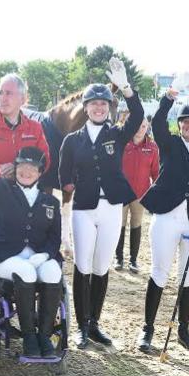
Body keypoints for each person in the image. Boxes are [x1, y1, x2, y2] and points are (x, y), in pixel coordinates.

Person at [59, 57, 143, 349]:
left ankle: (94, 323)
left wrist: (126, 88)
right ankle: (81, 326)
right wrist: (71, 184)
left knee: (102, 266)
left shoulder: (117, 135)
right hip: (83, 209)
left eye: (103, 104)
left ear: (109, 108)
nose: (98, 108)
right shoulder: (72, 140)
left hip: (111, 209)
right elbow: (63, 174)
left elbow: (138, 114)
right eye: (93, 104)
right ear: (86, 108)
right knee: (82, 265)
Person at [135, 73, 189, 353]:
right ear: (180, 125)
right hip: (166, 219)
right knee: (159, 272)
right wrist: (169, 97)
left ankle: (183, 331)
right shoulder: (169, 144)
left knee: (188, 277)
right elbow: (158, 121)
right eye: (187, 122)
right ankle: (147, 330)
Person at [0, 142, 62, 358]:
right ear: (15, 168)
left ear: (40, 171)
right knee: (26, 272)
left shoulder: (51, 202)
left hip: (38, 255)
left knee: (53, 271)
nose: (26, 171)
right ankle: (29, 337)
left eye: (32, 168)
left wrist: (46, 255)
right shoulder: (2, 190)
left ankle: (44, 337)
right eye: (22, 166)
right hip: (6, 257)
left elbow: (55, 237)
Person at [0, 74, 49, 273]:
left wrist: (20, 170)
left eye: (9, 93)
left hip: (22, 210)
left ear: (23, 99)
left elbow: (45, 162)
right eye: (0, 93)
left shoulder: (35, 128)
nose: (3, 98)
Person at [115, 115, 159, 273]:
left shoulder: (152, 147)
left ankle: (133, 260)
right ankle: (118, 258)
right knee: (119, 225)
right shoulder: (122, 144)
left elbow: (155, 173)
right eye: (139, 125)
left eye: (144, 126)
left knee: (136, 225)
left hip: (140, 195)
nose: (141, 129)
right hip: (120, 194)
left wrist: (154, 194)